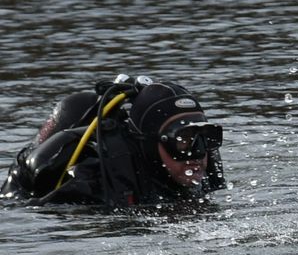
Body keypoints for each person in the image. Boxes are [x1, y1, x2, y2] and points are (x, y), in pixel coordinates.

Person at [2, 76, 226, 207]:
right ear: (151, 145)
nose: (197, 153)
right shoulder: (94, 182)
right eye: (183, 141)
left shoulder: (203, 168)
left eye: (204, 138)